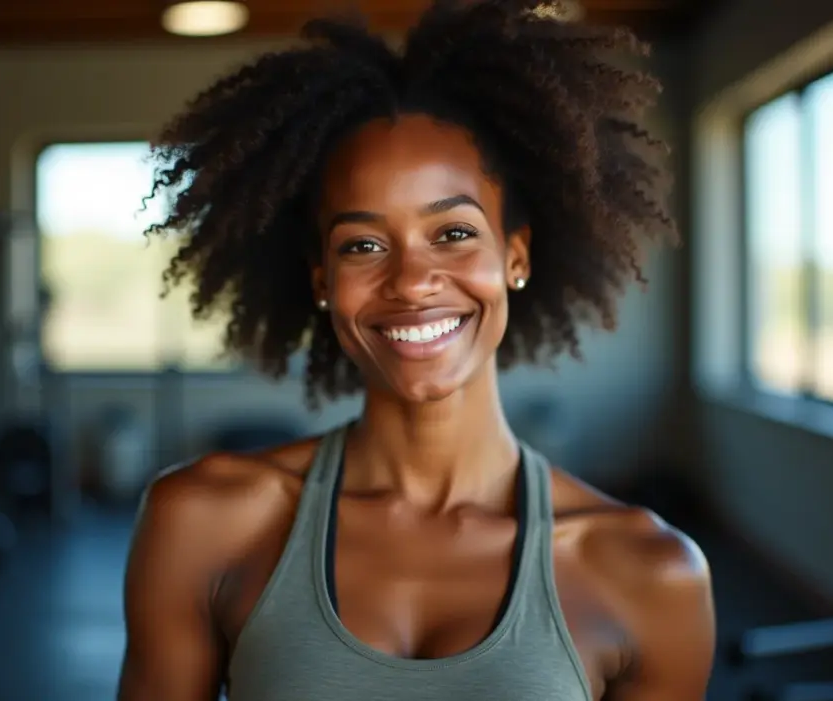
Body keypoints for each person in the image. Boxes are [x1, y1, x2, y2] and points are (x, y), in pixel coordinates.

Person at [117, 1, 715, 699]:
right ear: (323, 281)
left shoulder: (651, 573)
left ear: (514, 255)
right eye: (363, 245)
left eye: (453, 232)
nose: (410, 281)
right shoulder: (201, 520)